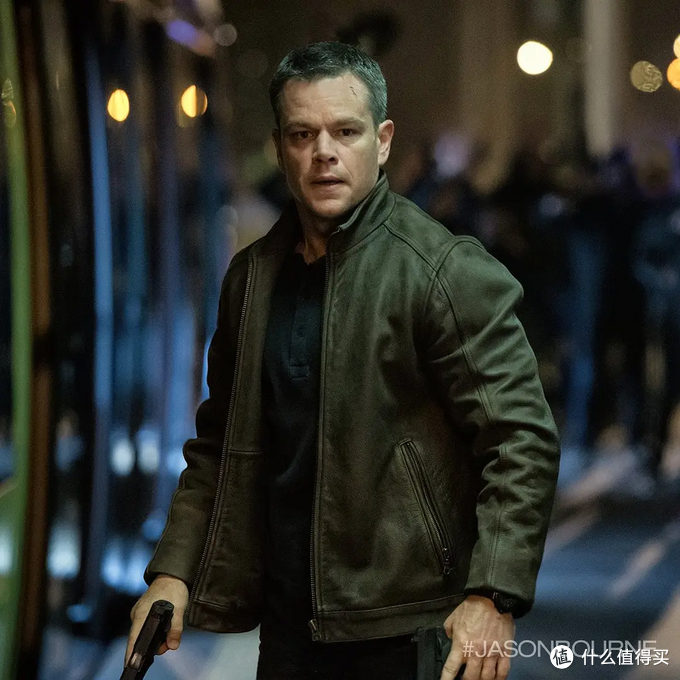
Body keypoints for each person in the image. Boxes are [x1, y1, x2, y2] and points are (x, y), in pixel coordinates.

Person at [126, 41, 560, 680]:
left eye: (346, 131)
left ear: (382, 142)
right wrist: (172, 572)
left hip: (409, 629)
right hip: (288, 629)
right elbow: (219, 445)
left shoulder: (440, 270)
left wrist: (493, 594)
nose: (323, 152)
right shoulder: (252, 278)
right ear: (281, 148)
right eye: (302, 134)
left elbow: (520, 439)